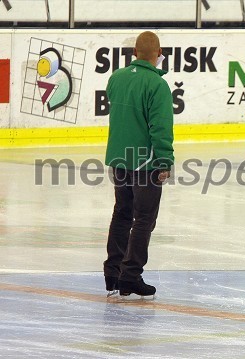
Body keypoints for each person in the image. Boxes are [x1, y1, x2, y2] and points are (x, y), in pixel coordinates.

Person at [103, 31, 174, 298]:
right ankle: (131, 275)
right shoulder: (157, 86)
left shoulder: (116, 79)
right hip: (146, 163)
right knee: (144, 219)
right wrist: (164, 160)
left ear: (134, 53)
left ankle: (112, 273)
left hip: (119, 159)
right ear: (159, 54)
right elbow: (161, 128)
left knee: (122, 213)